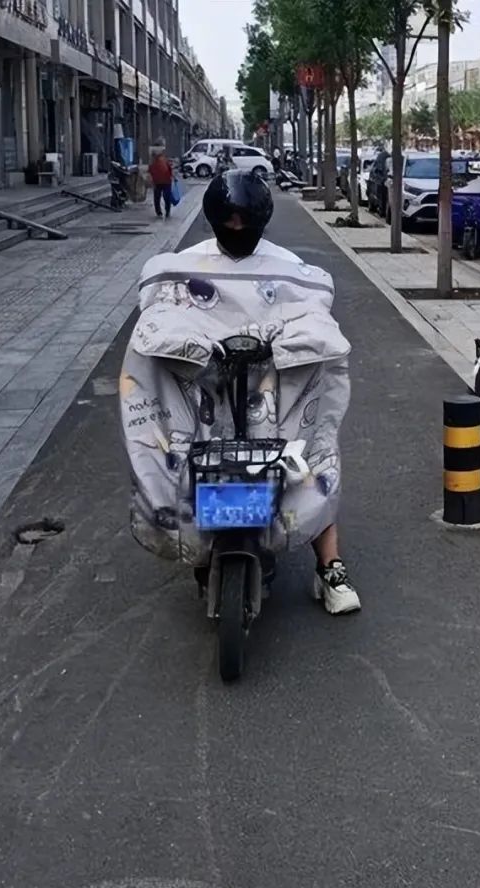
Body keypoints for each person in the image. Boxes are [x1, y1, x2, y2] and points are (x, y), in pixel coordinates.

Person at [123, 168, 361, 615]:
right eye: (227, 222)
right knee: (191, 457)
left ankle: (330, 566)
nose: (236, 230)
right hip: (207, 392)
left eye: (243, 223)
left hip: (274, 389)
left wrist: (285, 343)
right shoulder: (184, 267)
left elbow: (315, 316)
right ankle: (195, 535)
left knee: (315, 454)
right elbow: (157, 312)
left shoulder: (291, 270)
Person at [149, 149, 174, 219]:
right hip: (166, 181)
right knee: (167, 197)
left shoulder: (153, 162)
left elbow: (150, 172)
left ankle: (159, 212)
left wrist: (152, 181)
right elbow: (170, 169)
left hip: (158, 182)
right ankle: (167, 211)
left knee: (157, 197)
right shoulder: (165, 160)